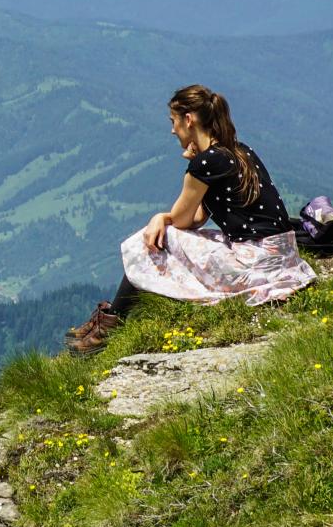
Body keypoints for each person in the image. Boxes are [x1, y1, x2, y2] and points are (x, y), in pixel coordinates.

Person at [66, 84, 316, 355]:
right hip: (282, 254)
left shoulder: (207, 163)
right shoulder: (239, 151)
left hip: (256, 262)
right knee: (173, 235)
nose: (173, 130)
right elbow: (198, 219)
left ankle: (109, 327)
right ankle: (112, 319)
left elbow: (182, 222)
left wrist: (160, 216)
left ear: (189, 119)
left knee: (150, 241)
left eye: (174, 121)